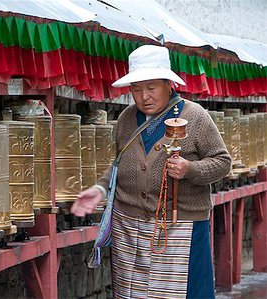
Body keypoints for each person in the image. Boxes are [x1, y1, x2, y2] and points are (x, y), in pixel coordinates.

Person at [71, 45, 231, 298]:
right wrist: (100, 189)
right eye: (136, 89)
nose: (144, 96)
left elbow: (222, 162)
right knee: (132, 293)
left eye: (151, 88)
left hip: (179, 228)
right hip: (129, 229)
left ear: (168, 84)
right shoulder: (125, 120)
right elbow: (119, 164)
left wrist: (190, 168)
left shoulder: (195, 116)